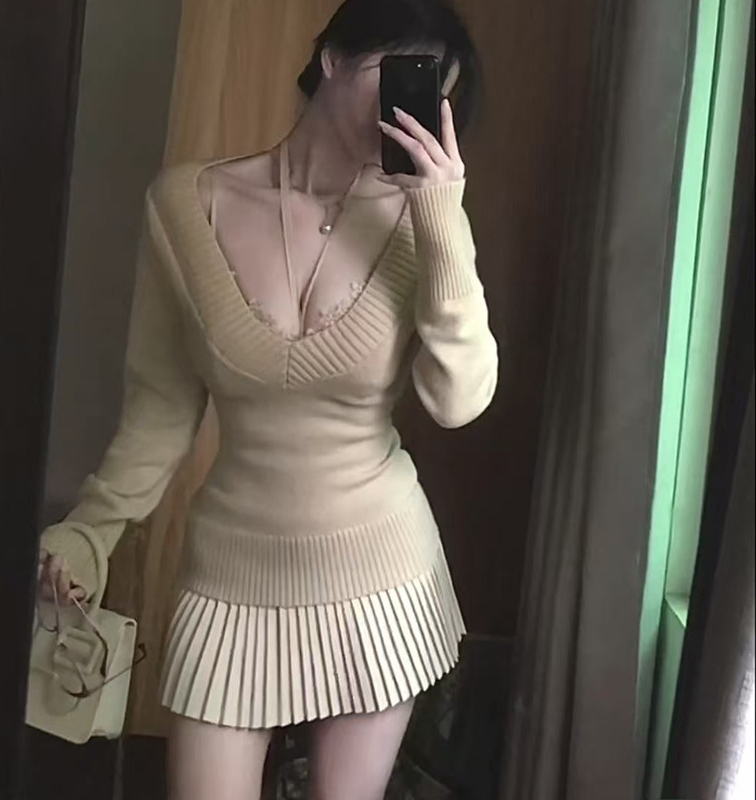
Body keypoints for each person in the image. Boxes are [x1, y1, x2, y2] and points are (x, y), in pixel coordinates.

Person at [37, 0, 498, 797]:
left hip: (380, 574)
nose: (413, 107)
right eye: (401, 74)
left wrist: (443, 221)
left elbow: (457, 399)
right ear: (332, 59)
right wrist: (92, 531)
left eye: (434, 92)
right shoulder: (186, 207)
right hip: (231, 579)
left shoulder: (423, 222)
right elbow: (160, 410)